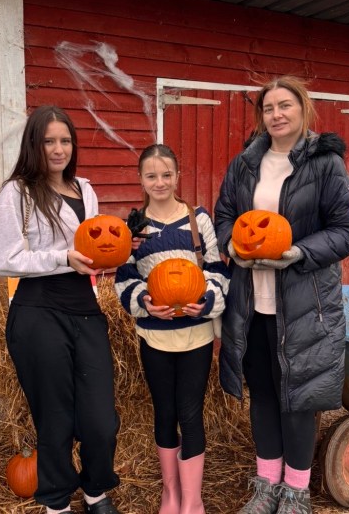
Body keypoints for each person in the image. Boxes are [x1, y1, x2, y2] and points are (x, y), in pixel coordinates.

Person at [214, 76, 349, 514]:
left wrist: (298, 251)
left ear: (303, 110)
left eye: (285, 105)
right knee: (262, 393)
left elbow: (348, 229)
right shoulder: (245, 163)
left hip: (304, 305)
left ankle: (295, 493)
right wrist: (230, 246)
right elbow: (226, 213)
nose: (276, 114)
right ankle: (266, 486)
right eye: (268, 108)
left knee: (298, 398)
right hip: (252, 303)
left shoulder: (324, 162)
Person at [0, 105, 121, 514]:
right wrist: (63, 258)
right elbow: (3, 259)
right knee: (55, 416)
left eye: (65, 140)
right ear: (35, 145)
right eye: (49, 141)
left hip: (84, 308)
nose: (58, 149)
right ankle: (56, 500)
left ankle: (96, 487)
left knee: (102, 419)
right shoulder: (18, 192)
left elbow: (94, 243)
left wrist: (106, 259)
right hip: (38, 311)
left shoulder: (85, 188)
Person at [115, 144, 229, 514]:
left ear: (177, 176)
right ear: (141, 180)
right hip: (155, 336)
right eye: (151, 175)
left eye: (166, 174)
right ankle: (171, 493)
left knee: (190, 411)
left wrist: (208, 300)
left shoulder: (198, 220)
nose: (160, 182)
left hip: (195, 335)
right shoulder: (135, 227)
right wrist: (144, 300)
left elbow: (217, 269)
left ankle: (192, 501)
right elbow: (124, 276)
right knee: (164, 411)